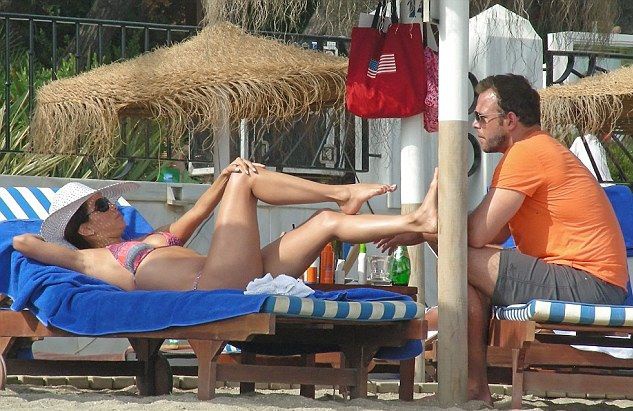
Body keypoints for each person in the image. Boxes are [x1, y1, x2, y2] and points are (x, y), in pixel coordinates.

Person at [376, 74, 628, 404]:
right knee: (466, 273)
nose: (475, 124)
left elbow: (474, 235)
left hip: (589, 283)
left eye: (482, 117)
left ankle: (473, 385)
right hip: (588, 280)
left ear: (509, 120)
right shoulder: (531, 151)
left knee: (459, 259)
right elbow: (491, 234)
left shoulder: (527, 153)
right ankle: (475, 388)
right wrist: (425, 230)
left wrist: (422, 230)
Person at [13, 159, 438, 293]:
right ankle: (343, 192)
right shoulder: (92, 260)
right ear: (86, 229)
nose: (115, 206)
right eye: (103, 205)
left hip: (238, 272)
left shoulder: (150, 239)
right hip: (213, 283)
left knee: (325, 223)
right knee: (246, 182)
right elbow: (23, 241)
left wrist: (223, 175)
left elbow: (200, 210)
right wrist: (52, 239)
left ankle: (415, 220)